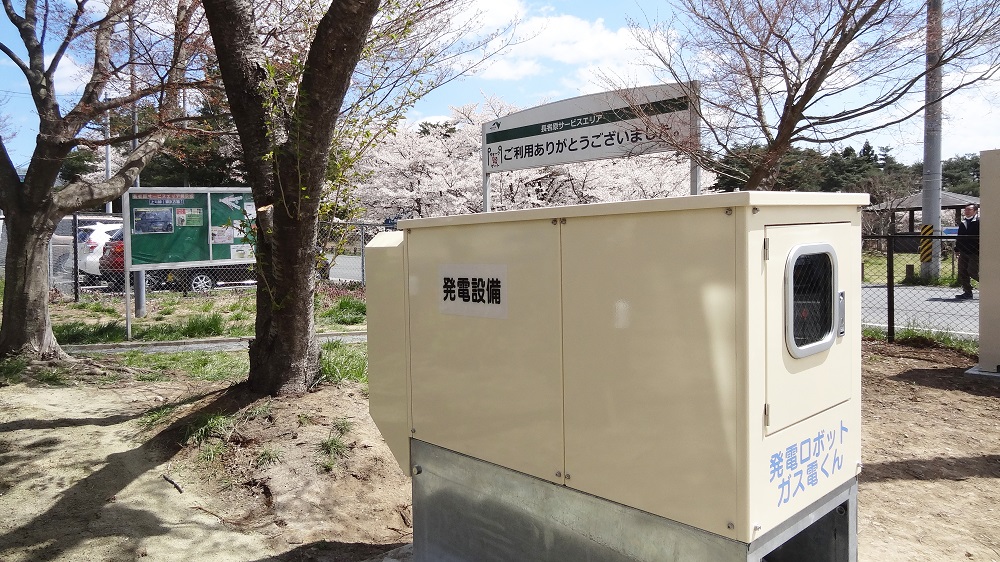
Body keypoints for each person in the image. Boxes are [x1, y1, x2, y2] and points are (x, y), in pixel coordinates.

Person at [955, 203, 980, 299]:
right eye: (966, 209)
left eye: (969, 209)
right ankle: (967, 292)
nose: (967, 211)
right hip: (964, 251)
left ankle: (992, 286)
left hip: (975, 252)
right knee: (962, 271)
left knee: (973, 272)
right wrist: (957, 249)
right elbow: (959, 237)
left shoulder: (979, 222)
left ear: (975, 211)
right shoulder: (963, 222)